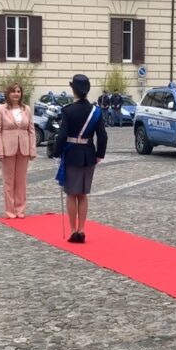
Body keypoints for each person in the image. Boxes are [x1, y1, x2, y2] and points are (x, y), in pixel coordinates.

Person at [52, 74, 107, 243]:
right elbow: (102, 136)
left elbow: (62, 136)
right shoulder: (95, 111)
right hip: (89, 155)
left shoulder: (68, 110)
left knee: (71, 194)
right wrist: (99, 154)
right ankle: (82, 229)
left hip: (71, 155)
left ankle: (73, 230)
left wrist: (56, 153)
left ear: (73, 89)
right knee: (83, 194)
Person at [0, 82, 36, 218]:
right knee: (8, 181)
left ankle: (20, 209)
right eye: (13, 91)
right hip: (7, 149)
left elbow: (31, 131)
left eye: (18, 91)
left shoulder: (26, 109)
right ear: (8, 94)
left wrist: (32, 149)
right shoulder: (1, 109)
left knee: (21, 181)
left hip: (23, 149)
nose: (16, 94)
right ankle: (10, 210)